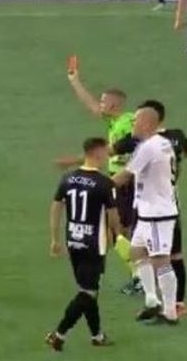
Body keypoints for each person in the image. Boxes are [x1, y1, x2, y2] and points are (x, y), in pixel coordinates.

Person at [56, 58, 142, 294]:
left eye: (104, 101)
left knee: (117, 232)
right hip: (122, 181)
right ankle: (140, 275)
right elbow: (92, 107)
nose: (100, 104)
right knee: (120, 233)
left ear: (114, 105)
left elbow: (113, 151)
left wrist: (72, 162)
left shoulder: (126, 124)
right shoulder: (117, 119)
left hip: (126, 182)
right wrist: (74, 81)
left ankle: (141, 277)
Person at [113, 100, 187, 317]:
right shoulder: (161, 143)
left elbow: (124, 176)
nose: (132, 124)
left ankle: (170, 312)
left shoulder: (149, 147)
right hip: (148, 209)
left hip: (157, 213)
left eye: (136, 120)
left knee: (162, 261)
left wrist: (97, 187)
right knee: (137, 251)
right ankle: (151, 300)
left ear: (147, 123)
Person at [46, 138, 121, 352]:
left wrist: (54, 239)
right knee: (87, 293)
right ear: (97, 153)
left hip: (73, 241)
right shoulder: (105, 183)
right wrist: (118, 236)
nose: (108, 156)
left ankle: (97, 336)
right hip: (94, 244)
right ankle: (58, 334)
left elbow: (56, 207)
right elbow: (113, 215)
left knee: (88, 290)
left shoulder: (68, 178)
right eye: (106, 152)